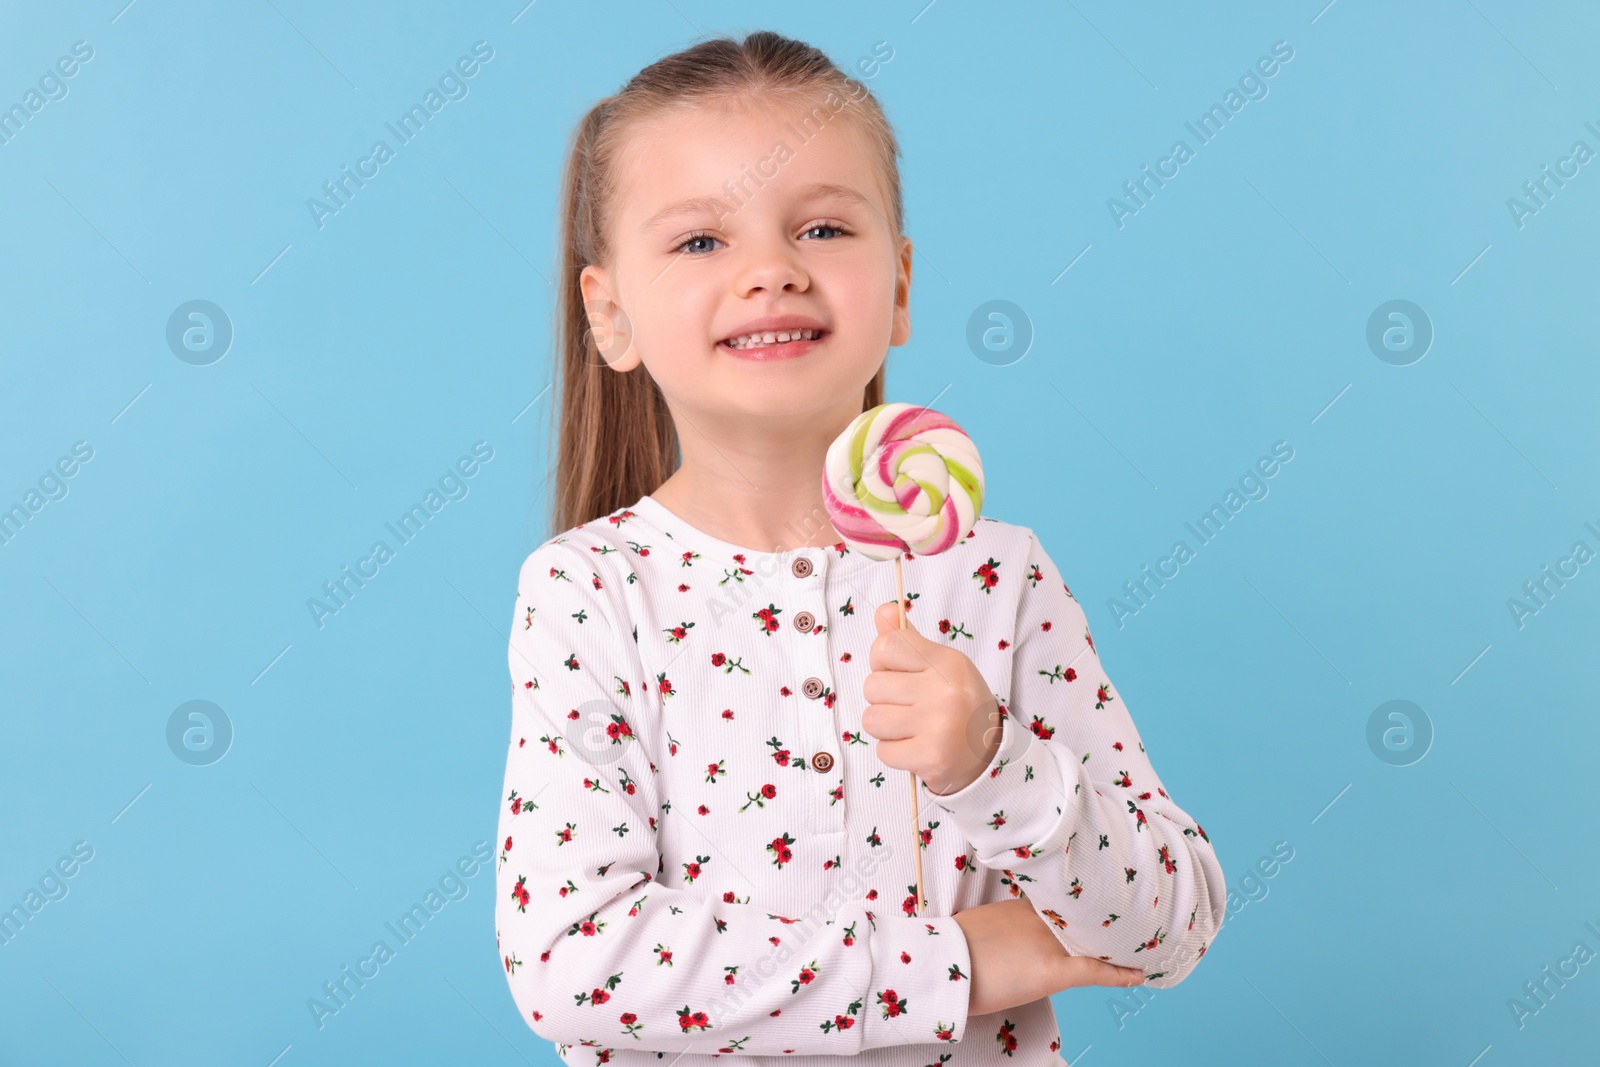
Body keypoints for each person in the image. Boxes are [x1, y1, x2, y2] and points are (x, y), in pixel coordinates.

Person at [493, 30, 1226, 1065]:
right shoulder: (590, 592)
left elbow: (1171, 921)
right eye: (701, 241)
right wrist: (961, 964)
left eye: (825, 226)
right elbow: (574, 961)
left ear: (900, 286)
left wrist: (993, 761)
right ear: (610, 315)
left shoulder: (994, 576)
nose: (771, 271)